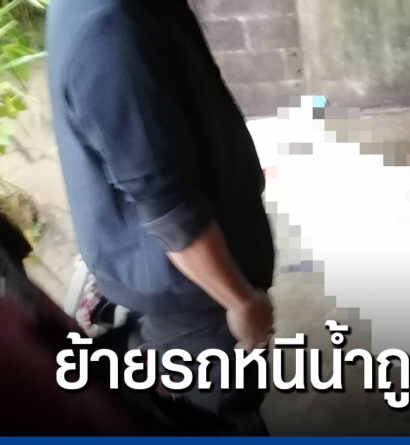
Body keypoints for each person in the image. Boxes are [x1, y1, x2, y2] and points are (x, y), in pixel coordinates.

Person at [46, 0, 275, 431]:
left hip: (180, 282)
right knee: (222, 416)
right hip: (195, 296)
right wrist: (241, 301)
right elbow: (169, 206)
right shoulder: (111, 30)